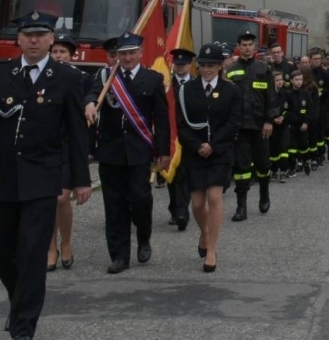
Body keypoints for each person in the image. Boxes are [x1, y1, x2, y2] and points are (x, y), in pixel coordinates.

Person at [0, 10, 91, 340]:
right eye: (27, 35)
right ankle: (19, 303)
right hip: (2, 177)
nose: (33, 40)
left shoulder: (67, 78)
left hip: (42, 177)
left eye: (40, 34)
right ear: (18, 39)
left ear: (51, 39)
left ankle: (24, 328)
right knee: (1, 247)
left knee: (32, 252)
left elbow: (77, 133)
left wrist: (80, 180)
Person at [84, 32, 170, 273]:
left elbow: (161, 118)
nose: (128, 57)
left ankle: (143, 237)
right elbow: (91, 94)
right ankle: (119, 255)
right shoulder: (106, 78)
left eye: (132, 53)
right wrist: (90, 102)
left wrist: (163, 151)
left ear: (140, 53)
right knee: (114, 204)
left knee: (140, 199)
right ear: (117, 56)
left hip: (140, 150)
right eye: (123, 54)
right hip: (111, 150)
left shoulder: (152, 79)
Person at [174, 42, 239, 273]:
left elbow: (233, 122)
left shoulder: (230, 90)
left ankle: (211, 249)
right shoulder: (187, 90)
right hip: (195, 152)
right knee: (198, 203)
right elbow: (181, 125)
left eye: (212, 65)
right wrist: (197, 145)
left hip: (220, 152)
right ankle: (205, 232)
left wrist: (213, 145)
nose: (207, 69)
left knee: (214, 197)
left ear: (221, 66)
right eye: (203, 65)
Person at [45, 33, 87, 271]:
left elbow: (90, 98)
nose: (59, 56)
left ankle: (67, 241)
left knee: (62, 198)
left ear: (72, 55)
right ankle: (51, 247)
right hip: (45, 147)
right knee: (48, 200)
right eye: (55, 52)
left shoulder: (78, 79)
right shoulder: (43, 77)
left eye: (63, 52)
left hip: (67, 146)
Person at [225, 31, 276, 221]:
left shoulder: (263, 68)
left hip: (260, 124)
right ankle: (241, 207)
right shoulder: (231, 69)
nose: (247, 48)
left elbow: (271, 96)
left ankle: (264, 191)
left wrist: (269, 120)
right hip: (239, 126)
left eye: (250, 45)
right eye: (244, 45)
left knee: (263, 163)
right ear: (238, 47)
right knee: (241, 167)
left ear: (254, 47)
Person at [165, 47, 196, 231]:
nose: (180, 67)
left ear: (190, 65)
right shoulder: (167, 84)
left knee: (184, 174)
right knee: (172, 175)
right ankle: (175, 209)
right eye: (177, 64)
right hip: (171, 135)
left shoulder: (196, 84)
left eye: (183, 64)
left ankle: (182, 212)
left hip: (190, 135)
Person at [287, 69, 315, 175]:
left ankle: (305, 161)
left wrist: (306, 122)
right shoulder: (288, 93)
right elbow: (286, 109)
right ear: (291, 81)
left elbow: (310, 109)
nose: (299, 82)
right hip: (292, 124)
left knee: (303, 145)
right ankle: (292, 167)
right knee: (292, 146)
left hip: (303, 124)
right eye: (296, 79)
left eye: (300, 79)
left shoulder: (306, 93)